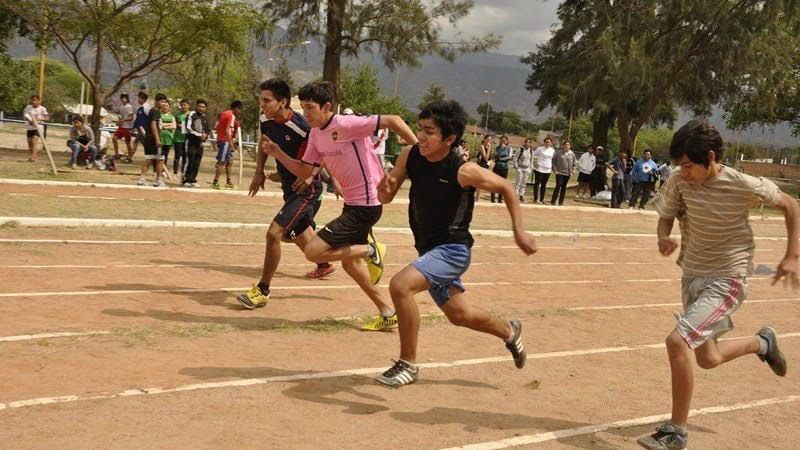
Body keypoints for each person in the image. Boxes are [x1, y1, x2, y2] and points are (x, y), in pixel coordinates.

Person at [636, 118, 796, 450]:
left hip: (728, 277)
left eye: (689, 165)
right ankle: (762, 344)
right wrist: (663, 236)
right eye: (680, 165)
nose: (683, 172)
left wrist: (792, 255)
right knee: (707, 358)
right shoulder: (679, 180)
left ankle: (676, 432)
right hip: (692, 276)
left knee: (677, 341)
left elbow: (791, 205)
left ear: (710, 157)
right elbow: (666, 214)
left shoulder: (742, 184)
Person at [373, 100, 537, 387]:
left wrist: (519, 232)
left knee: (400, 286)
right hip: (428, 250)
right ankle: (510, 332)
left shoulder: (463, 170)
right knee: (460, 315)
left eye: (429, 132)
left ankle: (407, 364)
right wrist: (383, 189)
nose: (420, 136)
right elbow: (385, 197)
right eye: (420, 129)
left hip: (453, 251)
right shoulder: (410, 155)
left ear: (449, 139)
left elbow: (507, 187)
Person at [260, 81, 418, 331]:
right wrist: (278, 153)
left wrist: (419, 153)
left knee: (313, 251)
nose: (305, 113)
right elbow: (305, 171)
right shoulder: (315, 134)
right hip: (353, 204)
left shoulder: (346, 124)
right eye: (303, 107)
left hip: (368, 202)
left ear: (326, 107)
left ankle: (371, 250)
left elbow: (394, 120)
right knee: (350, 264)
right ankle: (388, 311)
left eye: (310, 108)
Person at [237, 79, 336, 311]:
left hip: (305, 190)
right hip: (289, 189)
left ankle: (262, 291)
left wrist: (312, 176)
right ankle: (354, 254)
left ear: (282, 102)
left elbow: (321, 153)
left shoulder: (302, 127)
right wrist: (259, 172)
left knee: (274, 233)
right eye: (261, 100)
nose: (262, 105)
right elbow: (264, 142)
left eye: (267, 100)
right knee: (303, 242)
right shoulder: (265, 120)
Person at [136, 93, 167, 187]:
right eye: (161, 101)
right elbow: (153, 125)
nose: (163, 104)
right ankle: (158, 180)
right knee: (160, 159)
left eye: (164, 102)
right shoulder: (156, 111)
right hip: (153, 139)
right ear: (156, 101)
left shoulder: (152, 110)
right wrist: (157, 139)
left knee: (149, 159)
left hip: (148, 138)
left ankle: (142, 179)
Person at [212, 100, 241, 189]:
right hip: (225, 141)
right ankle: (215, 182)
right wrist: (231, 143)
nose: (240, 112)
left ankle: (228, 182)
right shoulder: (231, 115)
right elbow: (228, 130)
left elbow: (218, 127)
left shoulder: (224, 113)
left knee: (229, 161)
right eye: (240, 109)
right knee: (222, 162)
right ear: (236, 108)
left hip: (222, 140)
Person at [182, 99, 210, 187]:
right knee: (190, 160)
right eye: (199, 106)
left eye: (203, 107)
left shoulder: (205, 118)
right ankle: (185, 179)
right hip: (191, 141)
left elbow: (208, 129)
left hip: (200, 143)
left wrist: (205, 136)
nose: (201, 108)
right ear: (196, 106)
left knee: (197, 162)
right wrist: (199, 135)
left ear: (205, 108)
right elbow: (189, 128)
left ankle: (192, 180)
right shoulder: (192, 114)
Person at [23, 94, 49, 162]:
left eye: (35, 100)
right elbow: (26, 115)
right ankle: (34, 156)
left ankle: (33, 157)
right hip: (30, 127)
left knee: (34, 140)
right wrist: (30, 121)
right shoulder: (28, 107)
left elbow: (47, 118)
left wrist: (39, 119)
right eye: (32, 100)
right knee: (30, 142)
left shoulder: (42, 108)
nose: (33, 101)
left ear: (38, 101)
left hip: (38, 127)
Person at [550, 140, 576, 206]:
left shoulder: (572, 154)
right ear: (563, 146)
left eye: (568, 145)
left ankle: (561, 202)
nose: (567, 146)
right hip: (559, 173)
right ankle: (553, 201)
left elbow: (574, 164)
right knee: (558, 185)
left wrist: (572, 172)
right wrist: (555, 170)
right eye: (565, 145)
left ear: (570, 146)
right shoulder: (558, 153)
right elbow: (553, 162)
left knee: (564, 187)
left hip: (567, 174)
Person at [128, 91, 150, 163]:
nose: (138, 99)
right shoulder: (139, 107)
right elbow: (137, 119)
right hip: (140, 129)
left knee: (136, 142)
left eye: (139, 98)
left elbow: (149, 118)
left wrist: (146, 128)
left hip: (144, 129)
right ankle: (151, 158)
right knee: (145, 144)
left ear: (143, 99)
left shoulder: (146, 107)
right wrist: (133, 127)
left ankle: (129, 157)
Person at [532, 137, 555, 204]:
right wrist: (535, 164)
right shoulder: (540, 149)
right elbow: (534, 156)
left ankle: (542, 199)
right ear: (544, 142)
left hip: (547, 170)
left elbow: (553, 159)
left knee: (544, 185)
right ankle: (536, 199)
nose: (547, 143)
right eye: (546, 142)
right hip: (539, 169)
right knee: (537, 184)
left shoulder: (552, 150)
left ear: (551, 143)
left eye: (549, 142)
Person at [111, 93, 134, 159]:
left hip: (127, 127)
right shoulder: (121, 106)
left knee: (127, 142)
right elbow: (121, 117)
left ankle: (129, 156)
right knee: (114, 139)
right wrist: (119, 121)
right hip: (121, 127)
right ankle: (116, 154)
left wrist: (123, 120)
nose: (123, 99)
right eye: (122, 98)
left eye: (125, 98)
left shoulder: (129, 107)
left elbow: (131, 118)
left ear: (127, 99)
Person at [491, 135, 512, 203]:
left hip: (505, 168)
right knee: (494, 183)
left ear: (507, 141)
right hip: (497, 167)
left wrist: (501, 159)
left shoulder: (509, 148)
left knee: (503, 184)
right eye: (501, 141)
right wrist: (500, 149)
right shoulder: (496, 148)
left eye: (504, 141)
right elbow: (495, 156)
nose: (502, 142)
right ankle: (493, 199)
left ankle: (500, 199)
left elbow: (509, 157)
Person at [159, 99, 177, 174]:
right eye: (164, 106)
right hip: (160, 138)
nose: (165, 107)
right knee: (159, 155)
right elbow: (159, 126)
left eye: (167, 106)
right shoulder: (159, 114)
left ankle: (163, 171)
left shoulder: (172, 116)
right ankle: (157, 170)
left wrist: (164, 126)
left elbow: (174, 126)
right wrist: (169, 124)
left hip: (169, 138)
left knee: (165, 155)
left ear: (169, 107)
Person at [172, 99, 190, 177]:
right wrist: (177, 126)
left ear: (188, 106)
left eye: (185, 105)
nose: (183, 106)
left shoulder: (191, 114)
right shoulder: (177, 114)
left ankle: (183, 173)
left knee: (185, 157)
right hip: (178, 138)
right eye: (182, 105)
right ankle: (175, 173)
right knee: (177, 156)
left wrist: (185, 127)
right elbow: (173, 124)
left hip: (187, 139)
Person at [475, 134, 492, 201]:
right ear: (484, 139)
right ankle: (477, 198)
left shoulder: (488, 148)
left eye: (490, 140)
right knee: (479, 183)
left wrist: (491, 162)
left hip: (486, 166)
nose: (489, 141)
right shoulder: (482, 146)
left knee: (481, 183)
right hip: (481, 166)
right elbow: (486, 158)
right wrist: (489, 148)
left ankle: (477, 198)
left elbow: (489, 159)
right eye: (487, 139)